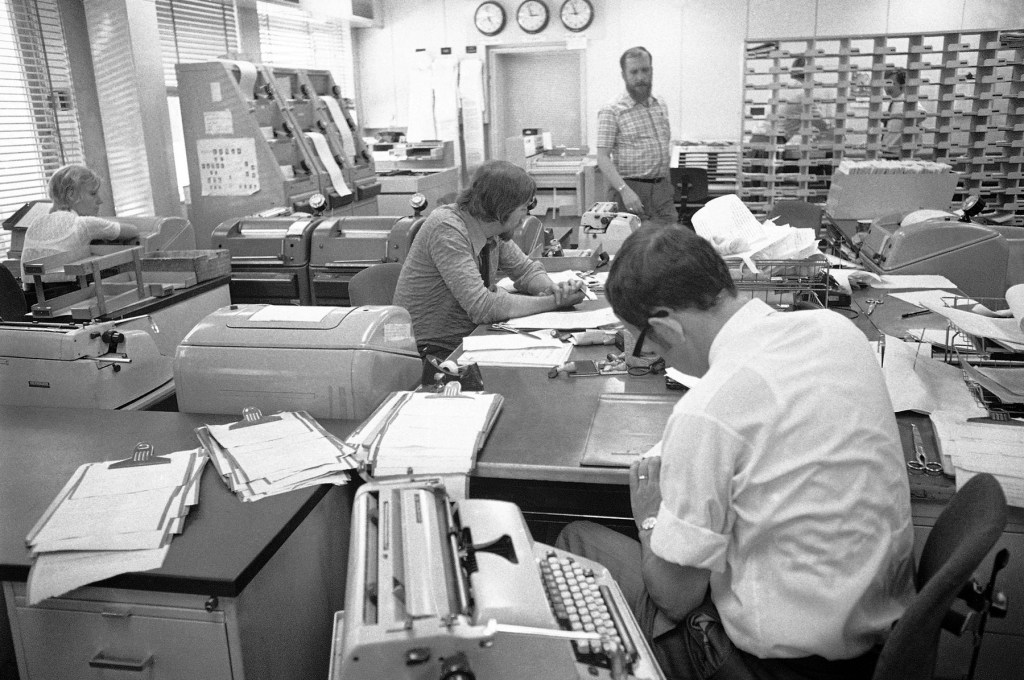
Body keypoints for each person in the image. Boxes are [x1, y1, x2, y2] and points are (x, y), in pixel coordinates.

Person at [556, 225, 915, 680]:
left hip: (772, 667)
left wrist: (651, 519)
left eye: (642, 342)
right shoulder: (835, 331)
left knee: (576, 541)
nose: (650, 357)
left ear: (665, 326)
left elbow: (677, 598)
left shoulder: (707, 413)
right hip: (874, 638)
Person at [393, 160, 585, 357]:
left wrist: (552, 289)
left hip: (471, 338)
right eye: (523, 207)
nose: (526, 214)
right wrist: (554, 302)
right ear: (503, 208)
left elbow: (526, 271)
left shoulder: (490, 227)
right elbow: (482, 307)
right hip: (433, 351)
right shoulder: (447, 229)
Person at [21, 164, 138, 286]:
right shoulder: (82, 224)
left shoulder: (35, 223)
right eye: (93, 194)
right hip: (66, 294)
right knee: (124, 276)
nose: (100, 200)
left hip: (32, 295)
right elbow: (132, 231)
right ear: (71, 195)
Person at [596, 46, 676, 226]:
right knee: (637, 248)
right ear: (624, 75)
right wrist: (625, 191)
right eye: (633, 72)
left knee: (669, 245)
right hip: (630, 191)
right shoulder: (612, 110)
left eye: (645, 70)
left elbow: (663, 147)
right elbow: (602, 157)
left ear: (651, 70)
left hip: (662, 191)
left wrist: (667, 186)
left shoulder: (659, 103)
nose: (640, 77)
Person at [881, 67, 930, 158]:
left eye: (889, 83)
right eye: (885, 83)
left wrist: (895, 116)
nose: (886, 87)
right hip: (888, 152)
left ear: (903, 85)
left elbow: (922, 114)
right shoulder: (895, 101)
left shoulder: (907, 101)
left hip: (900, 155)